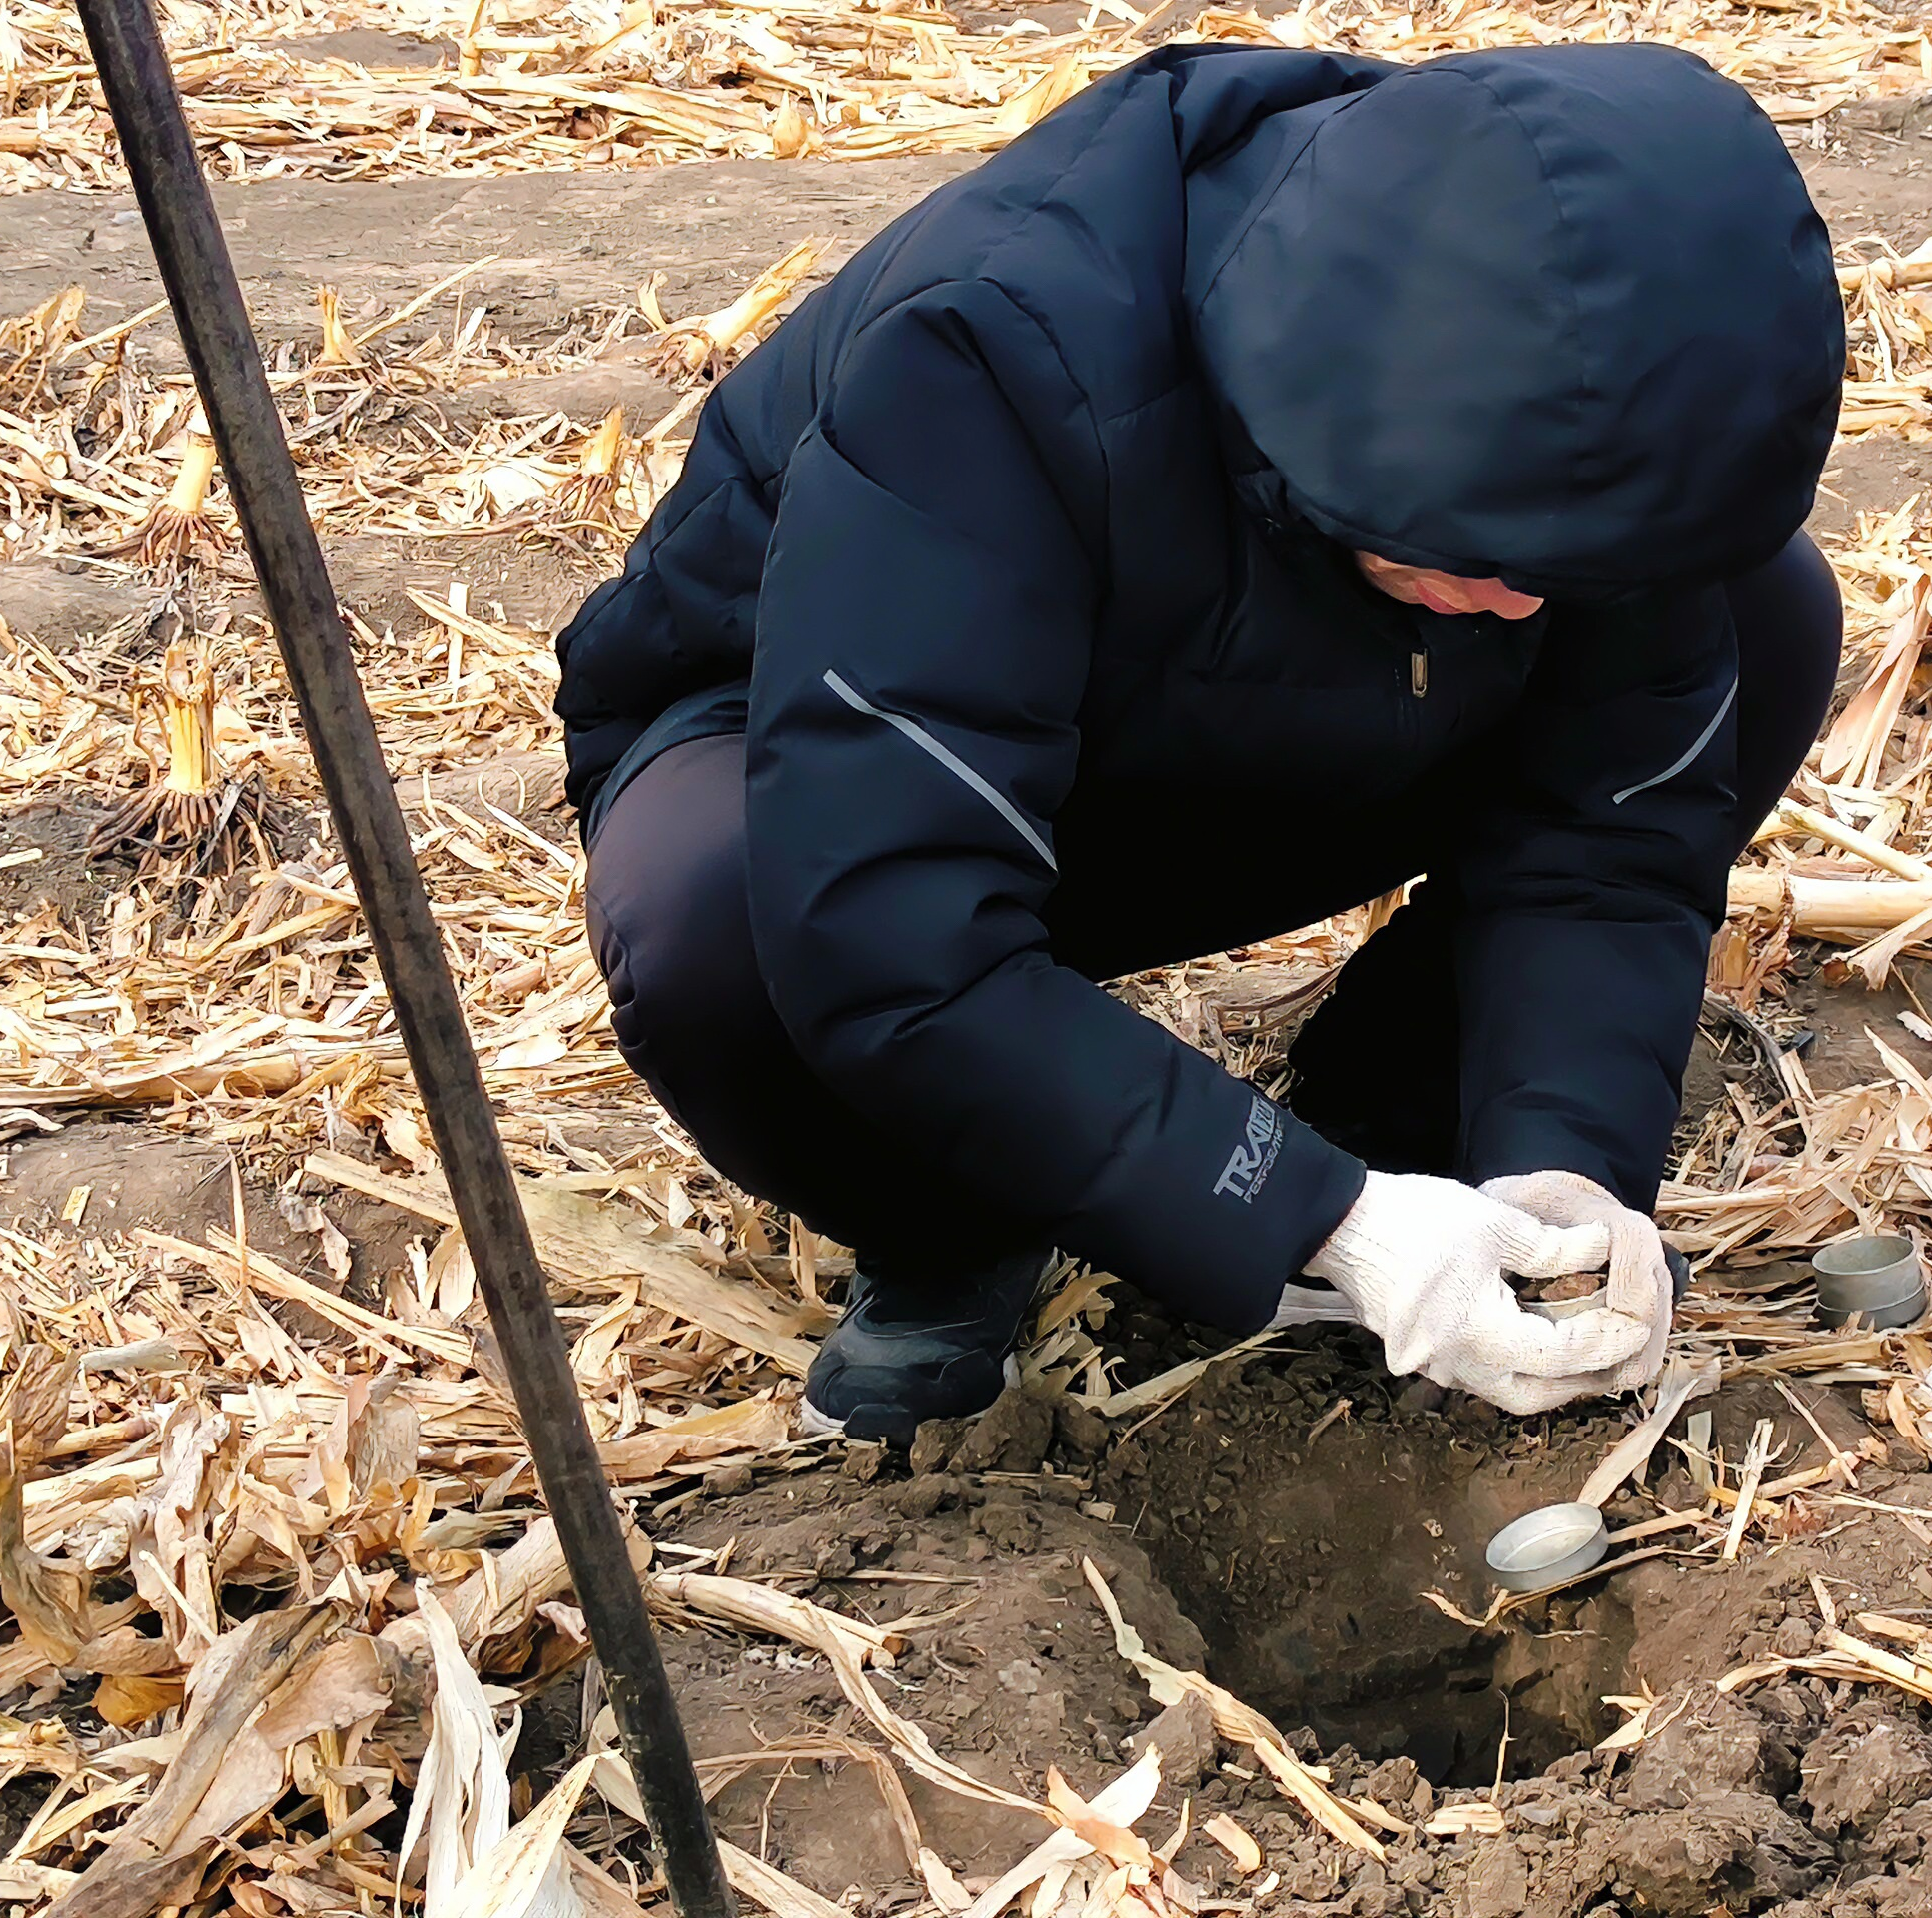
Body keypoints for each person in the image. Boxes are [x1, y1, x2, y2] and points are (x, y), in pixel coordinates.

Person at [556, 41, 1846, 1441]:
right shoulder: (996, 349)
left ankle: (1402, 1133)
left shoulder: (1567, 362)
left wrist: (1563, 1168)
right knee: (716, 916)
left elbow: (1609, 843)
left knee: (1762, 619)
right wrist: (1314, 1221)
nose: (1526, 606)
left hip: (1276, 722)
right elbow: (887, 925)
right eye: (1482, 551)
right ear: (1337, 400)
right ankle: (956, 1225)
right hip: (889, 775)